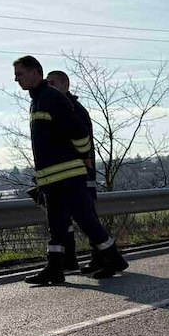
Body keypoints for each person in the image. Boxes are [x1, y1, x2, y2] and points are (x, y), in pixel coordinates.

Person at [13, 56, 127, 285]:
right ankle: (55, 268)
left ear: (36, 72)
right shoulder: (37, 100)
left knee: (85, 219)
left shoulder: (52, 98)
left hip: (68, 176)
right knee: (56, 225)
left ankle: (112, 258)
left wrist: (79, 159)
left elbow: (81, 134)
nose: (16, 79)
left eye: (20, 74)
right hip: (51, 178)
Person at [47, 70, 104, 275]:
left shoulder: (72, 109)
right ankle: (69, 259)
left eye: (53, 82)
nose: (49, 86)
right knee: (65, 219)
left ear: (65, 84)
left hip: (80, 174)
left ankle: (102, 257)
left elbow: (80, 140)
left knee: (87, 218)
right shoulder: (59, 107)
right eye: (47, 83)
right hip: (66, 175)